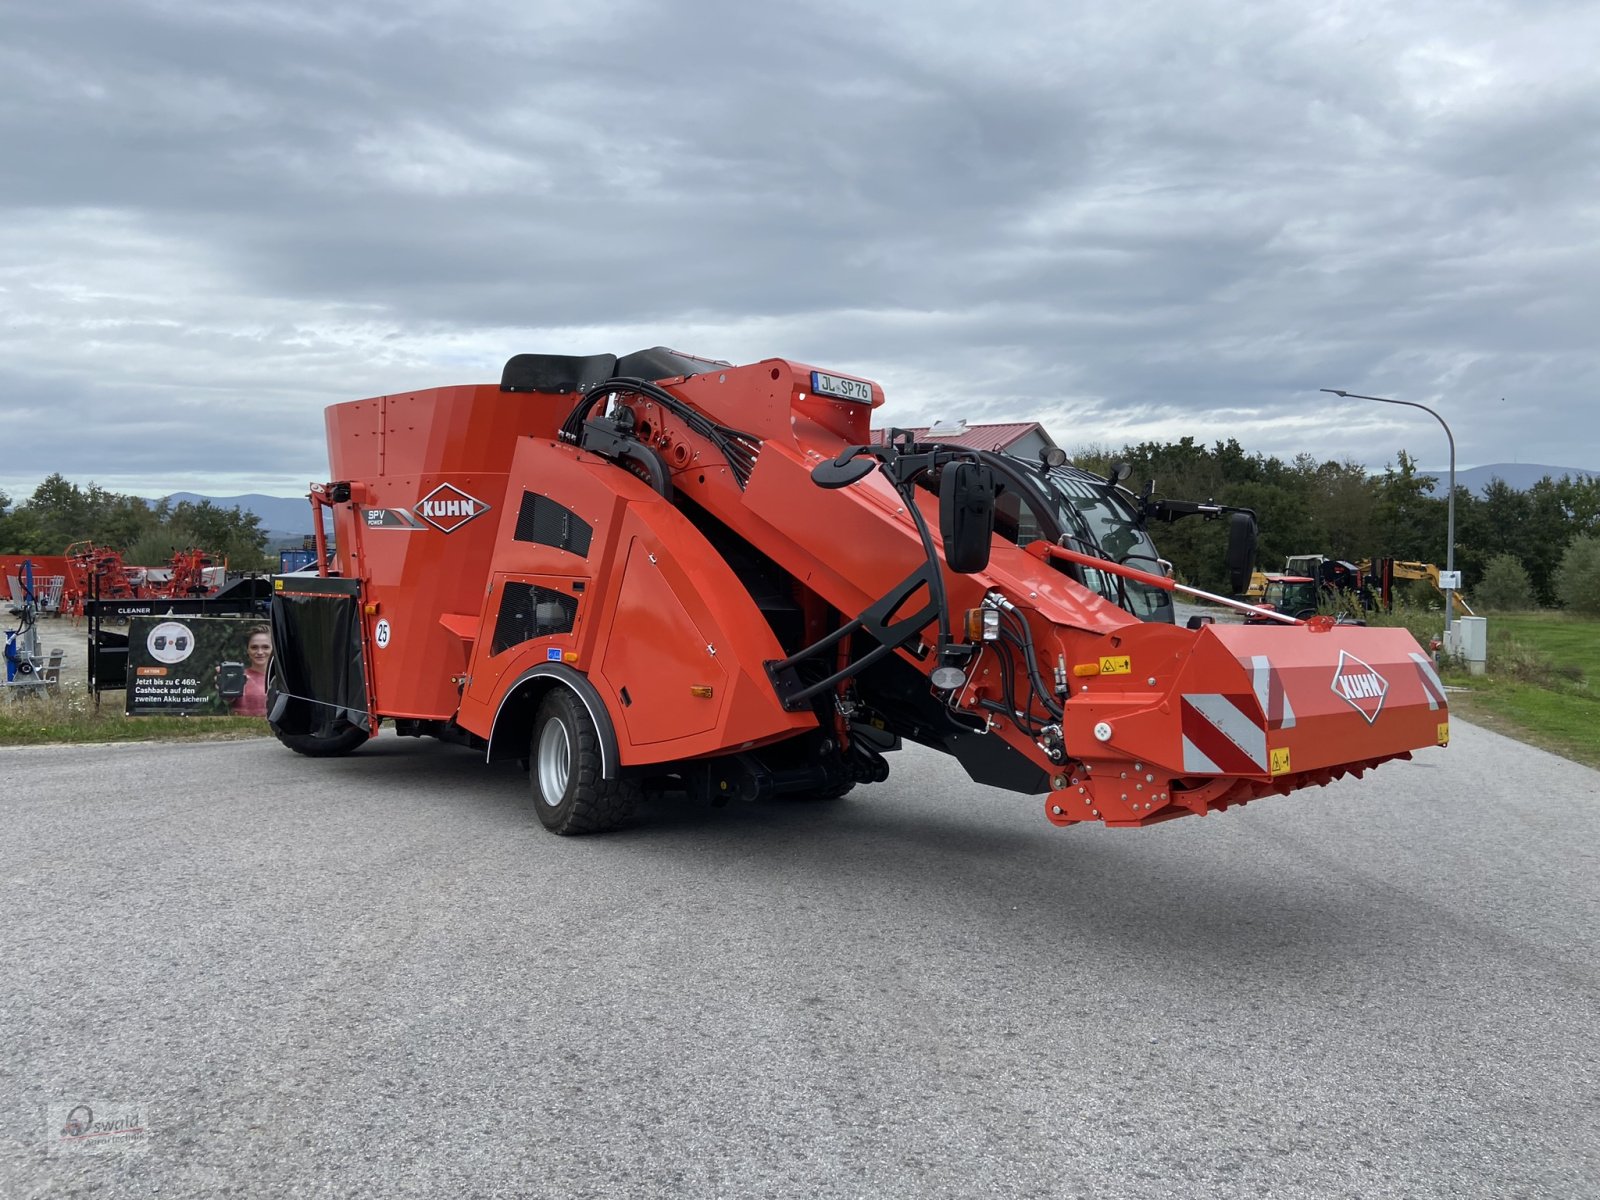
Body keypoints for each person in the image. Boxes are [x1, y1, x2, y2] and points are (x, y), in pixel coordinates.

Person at [229, 625, 272, 716]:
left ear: (274, 649)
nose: (260, 652)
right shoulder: (238, 677)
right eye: (254, 647)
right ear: (247, 650)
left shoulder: (284, 679)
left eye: (265, 647)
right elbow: (228, 698)